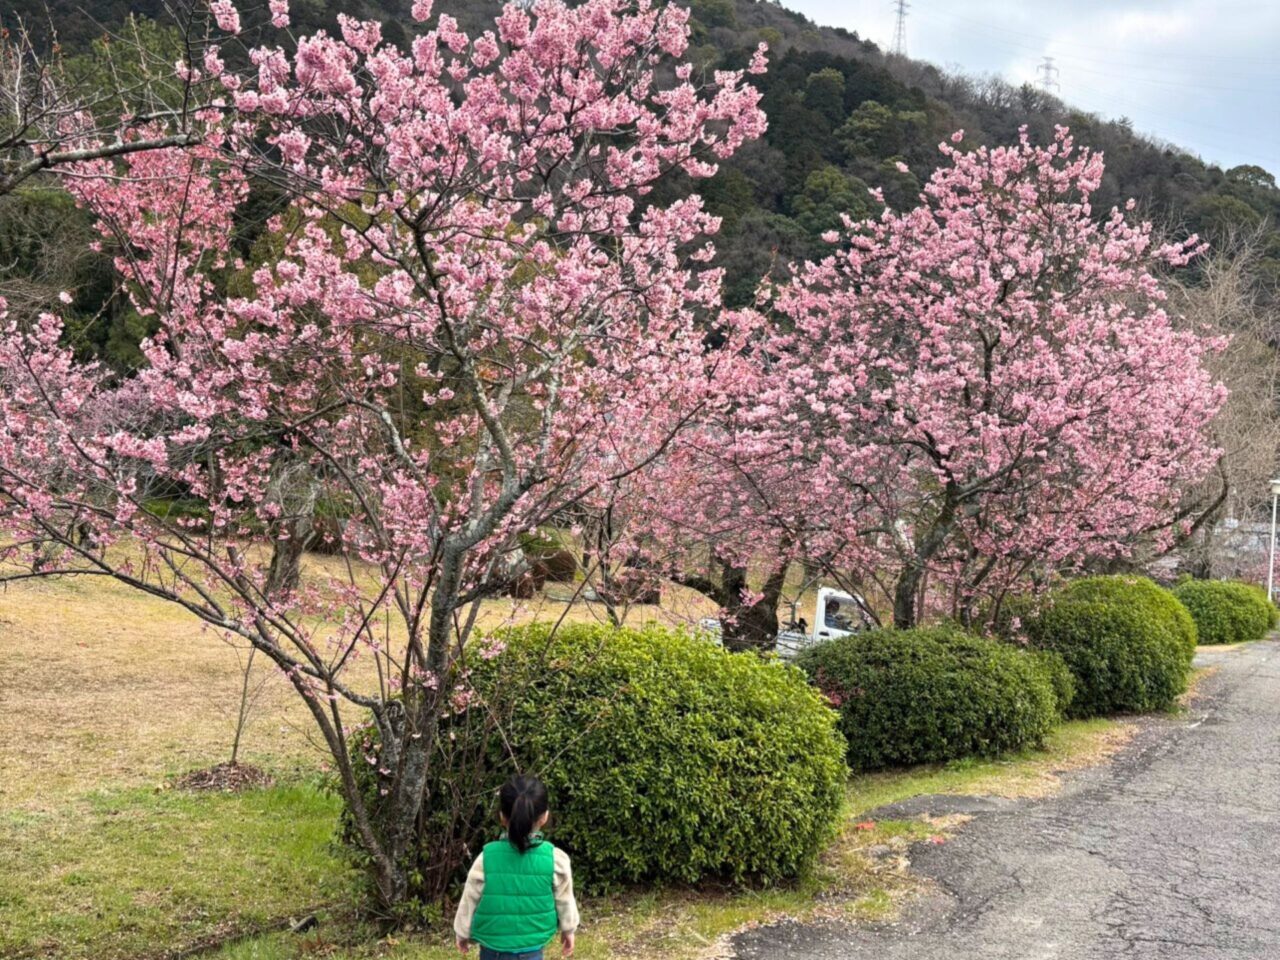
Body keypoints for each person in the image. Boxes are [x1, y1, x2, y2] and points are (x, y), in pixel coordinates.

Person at [455, 775, 580, 959]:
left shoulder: (486, 858)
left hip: (492, 949)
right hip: (532, 948)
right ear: (544, 816)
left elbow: (469, 898)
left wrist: (462, 932)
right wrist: (568, 930)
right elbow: (565, 899)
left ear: (502, 817)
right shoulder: (555, 860)